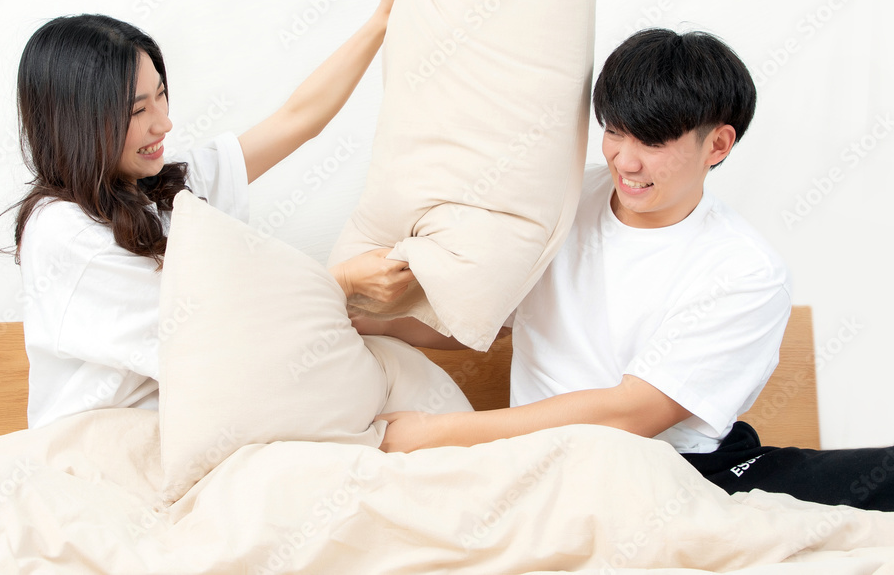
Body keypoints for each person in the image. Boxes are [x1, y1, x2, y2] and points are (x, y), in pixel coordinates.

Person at [372, 28, 894, 511]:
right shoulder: (564, 201)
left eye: (652, 141)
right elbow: (480, 318)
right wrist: (360, 317)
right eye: (615, 132)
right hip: (549, 465)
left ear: (717, 144)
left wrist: (437, 433)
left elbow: (632, 413)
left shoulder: (745, 271)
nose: (625, 161)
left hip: (687, 470)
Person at [5, 0, 423, 429]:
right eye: (138, 111)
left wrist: (381, 18)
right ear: (78, 124)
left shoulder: (165, 186)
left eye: (161, 95)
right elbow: (207, 325)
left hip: (189, 426)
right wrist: (343, 283)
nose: (164, 123)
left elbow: (298, 119)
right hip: (103, 440)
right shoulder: (62, 231)